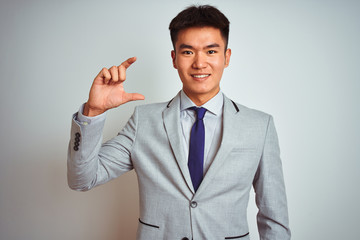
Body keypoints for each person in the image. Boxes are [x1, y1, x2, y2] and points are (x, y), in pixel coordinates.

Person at [68, 5, 291, 240]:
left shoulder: (259, 125)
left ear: (227, 57)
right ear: (174, 58)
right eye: (188, 52)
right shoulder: (144, 121)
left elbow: (274, 216)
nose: (199, 63)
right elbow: (82, 179)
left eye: (211, 52)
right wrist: (93, 111)